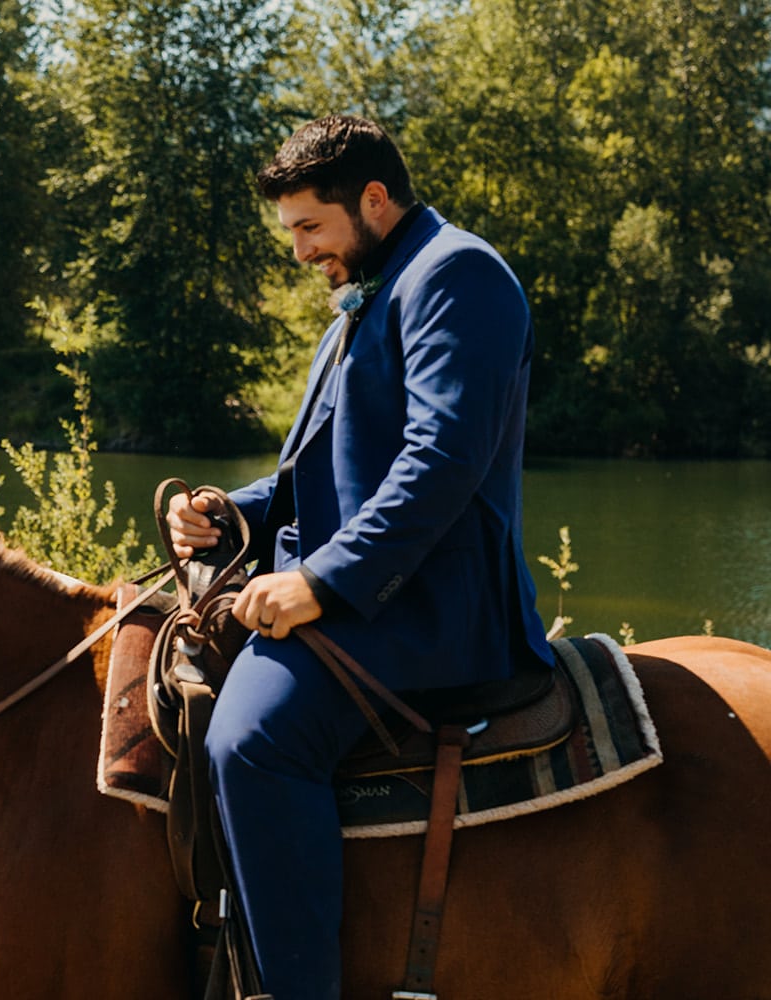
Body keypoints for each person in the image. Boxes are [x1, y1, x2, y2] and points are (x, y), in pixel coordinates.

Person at [166, 115, 554, 998]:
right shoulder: (375, 285)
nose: (299, 251)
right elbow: (317, 475)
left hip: (427, 607)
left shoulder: (457, 274)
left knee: (252, 742)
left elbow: (441, 462)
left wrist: (319, 581)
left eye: (310, 227)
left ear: (373, 200)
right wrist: (234, 516)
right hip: (361, 587)